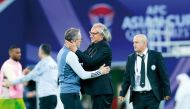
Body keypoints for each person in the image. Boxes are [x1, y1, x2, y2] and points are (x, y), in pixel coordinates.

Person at [57, 28, 110, 109]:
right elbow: (83, 75)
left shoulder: (61, 52)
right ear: (73, 41)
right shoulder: (70, 55)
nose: (81, 41)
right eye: (80, 39)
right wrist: (100, 72)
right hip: (71, 93)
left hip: (66, 92)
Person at [119, 34, 171, 109]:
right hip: (137, 97)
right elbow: (127, 78)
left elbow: (164, 75)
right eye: (133, 42)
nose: (134, 45)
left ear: (144, 43)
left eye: (136, 42)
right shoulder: (131, 58)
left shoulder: (156, 56)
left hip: (152, 96)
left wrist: (167, 92)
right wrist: (122, 93)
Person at [5, 44, 58, 109]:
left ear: (41, 52)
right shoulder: (54, 64)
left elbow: (28, 77)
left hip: (45, 97)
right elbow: (43, 79)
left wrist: (11, 82)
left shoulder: (43, 63)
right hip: (54, 97)